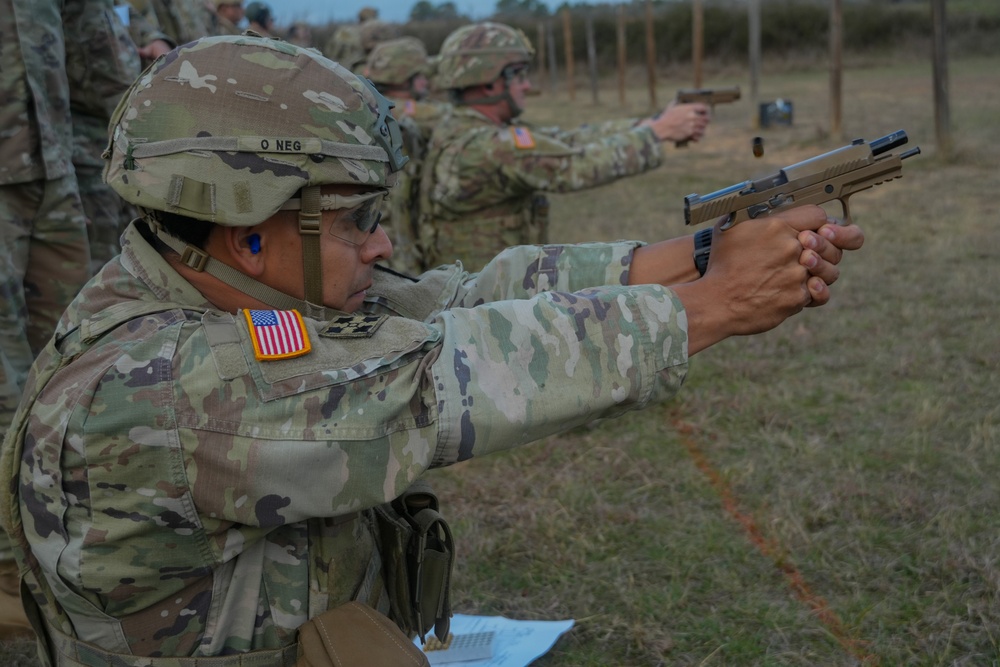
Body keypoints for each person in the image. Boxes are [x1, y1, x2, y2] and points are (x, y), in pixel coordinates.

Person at [0, 34, 864, 663]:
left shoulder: (198, 280)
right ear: (248, 230)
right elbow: (442, 375)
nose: (380, 245)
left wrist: (698, 257)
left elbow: (456, 298)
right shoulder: (157, 387)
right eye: (355, 219)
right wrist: (710, 309)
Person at [418, 21, 712, 273]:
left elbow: (565, 140)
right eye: (519, 75)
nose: (527, 85)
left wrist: (651, 123)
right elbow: (574, 166)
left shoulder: (469, 129)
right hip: (478, 305)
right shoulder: (486, 146)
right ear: (489, 83)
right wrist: (658, 132)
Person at [0, 0, 93, 640]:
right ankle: (11, 577)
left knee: (77, 364)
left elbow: (89, 45)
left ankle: (62, 557)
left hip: (52, 160)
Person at [65, 0, 144, 275]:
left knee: (129, 239)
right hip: (85, 137)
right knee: (101, 248)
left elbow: (135, 21)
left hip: (124, 132)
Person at [364, 37, 451, 275]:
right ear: (406, 77)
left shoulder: (366, 103)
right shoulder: (401, 110)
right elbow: (451, 116)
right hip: (395, 247)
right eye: (420, 74)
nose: (426, 80)